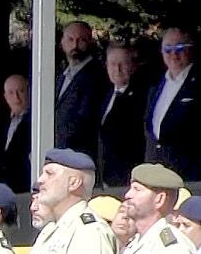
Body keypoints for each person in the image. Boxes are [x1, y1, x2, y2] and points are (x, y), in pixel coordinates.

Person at [146, 26, 199, 182]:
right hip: (157, 175)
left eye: (180, 48)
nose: (174, 54)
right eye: (168, 49)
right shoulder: (155, 85)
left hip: (190, 176)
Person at [55, 20, 110, 157]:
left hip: (77, 155)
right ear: (62, 41)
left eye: (81, 40)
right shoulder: (62, 76)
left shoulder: (96, 76)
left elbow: (84, 120)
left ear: (90, 42)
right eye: (71, 39)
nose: (75, 45)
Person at [98, 43, 148, 187]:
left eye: (123, 64)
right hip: (104, 178)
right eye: (113, 64)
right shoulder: (104, 95)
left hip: (127, 180)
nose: (117, 69)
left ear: (133, 66)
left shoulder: (142, 97)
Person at [0, 74, 33, 193]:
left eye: (21, 91)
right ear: (5, 96)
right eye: (11, 93)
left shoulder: (35, 121)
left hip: (25, 189)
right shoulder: (1, 123)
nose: (16, 98)